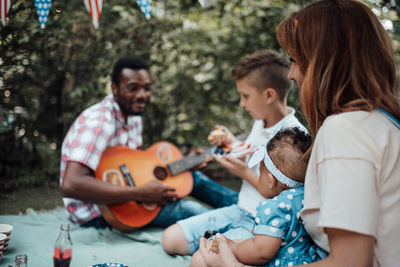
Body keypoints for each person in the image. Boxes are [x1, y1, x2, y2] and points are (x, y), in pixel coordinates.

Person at [199, 0, 400, 266]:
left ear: (325, 64)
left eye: (295, 60)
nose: (292, 74)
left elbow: (350, 261)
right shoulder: (384, 122)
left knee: (205, 259)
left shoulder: (346, 131)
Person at [59, 56, 238, 229]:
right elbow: (71, 184)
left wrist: (186, 163)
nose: (142, 95)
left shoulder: (134, 117)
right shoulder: (99, 122)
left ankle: (249, 208)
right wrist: (140, 193)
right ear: (115, 88)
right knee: (191, 210)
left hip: (130, 197)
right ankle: (236, 225)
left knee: (192, 178)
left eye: (146, 88)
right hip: (97, 212)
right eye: (133, 88)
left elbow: (137, 170)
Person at [162, 50, 308, 257]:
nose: (242, 103)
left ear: (269, 95)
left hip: (262, 222)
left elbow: (285, 195)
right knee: (171, 239)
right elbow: (255, 153)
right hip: (239, 208)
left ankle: (227, 242)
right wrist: (231, 142)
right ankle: (221, 235)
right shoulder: (260, 121)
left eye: (245, 96)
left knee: (202, 258)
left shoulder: (294, 137)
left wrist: (242, 172)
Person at [197, 127, 325, 267]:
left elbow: (260, 252)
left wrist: (231, 246)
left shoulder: (275, 207)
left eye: (260, 170)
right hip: (307, 260)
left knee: (199, 261)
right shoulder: (310, 195)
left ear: (270, 180)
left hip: (282, 263)